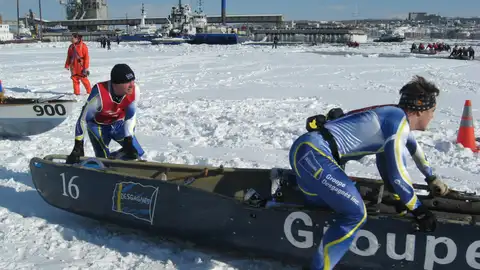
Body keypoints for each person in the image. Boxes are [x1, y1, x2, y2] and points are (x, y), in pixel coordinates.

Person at [289, 75, 449, 270]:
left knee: (329, 203)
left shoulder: (394, 116)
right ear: (420, 109)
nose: (433, 116)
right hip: (315, 155)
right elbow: (398, 172)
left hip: (307, 154)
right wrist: (419, 210)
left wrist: (430, 177)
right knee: (356, 213)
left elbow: (409, 152)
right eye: (432, 111)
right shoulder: (397, 124)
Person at [66, 63, 145, 164]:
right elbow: (83, 120)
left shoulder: (135, 90)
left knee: (136, 152)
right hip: (97, 126)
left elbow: (130, 117)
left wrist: (128, 139)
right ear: (115, 84)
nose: (131, 85)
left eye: (132, 80)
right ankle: (106, 163)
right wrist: (78, 145)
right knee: (103, 160)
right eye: (127, 82)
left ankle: (117, 158)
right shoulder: (99, 96)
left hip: (117, 123)